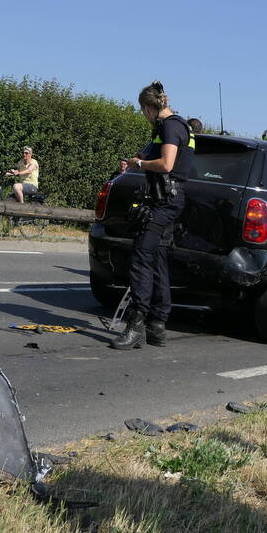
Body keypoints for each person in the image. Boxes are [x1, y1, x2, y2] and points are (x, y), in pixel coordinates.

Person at [111, 81, 195, 350]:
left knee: (141, 258)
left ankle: (136, 326)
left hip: (164, 202)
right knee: (157, 258)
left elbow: (166, 164)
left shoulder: (171, 126)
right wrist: (137, 159)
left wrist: (142, 164)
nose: (143, 114)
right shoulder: (173, 127)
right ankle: (158, 326)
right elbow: (151, 154)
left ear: (149, 107)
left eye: (142, 110)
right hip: (167, 199)